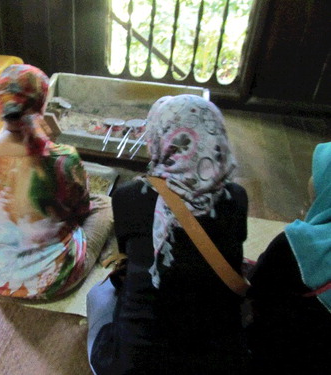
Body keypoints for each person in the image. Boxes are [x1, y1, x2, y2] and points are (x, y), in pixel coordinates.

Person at [86, 94, 249, 374]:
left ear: (157, 140)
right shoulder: (236, 198)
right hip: (217, 364)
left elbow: (128, 254)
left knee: (97, 296)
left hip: (134, 366)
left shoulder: (129, 196)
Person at [0, 64, 112, 300]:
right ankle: (110, 256)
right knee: (105, 205)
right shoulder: (63, 158)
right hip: (56, 279)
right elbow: (81, 210)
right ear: (42, 103)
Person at [246, 142, 331, 375]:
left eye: (318, 171)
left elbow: (256, 284)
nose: (312, 178)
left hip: (288, 354)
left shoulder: (299, 243)